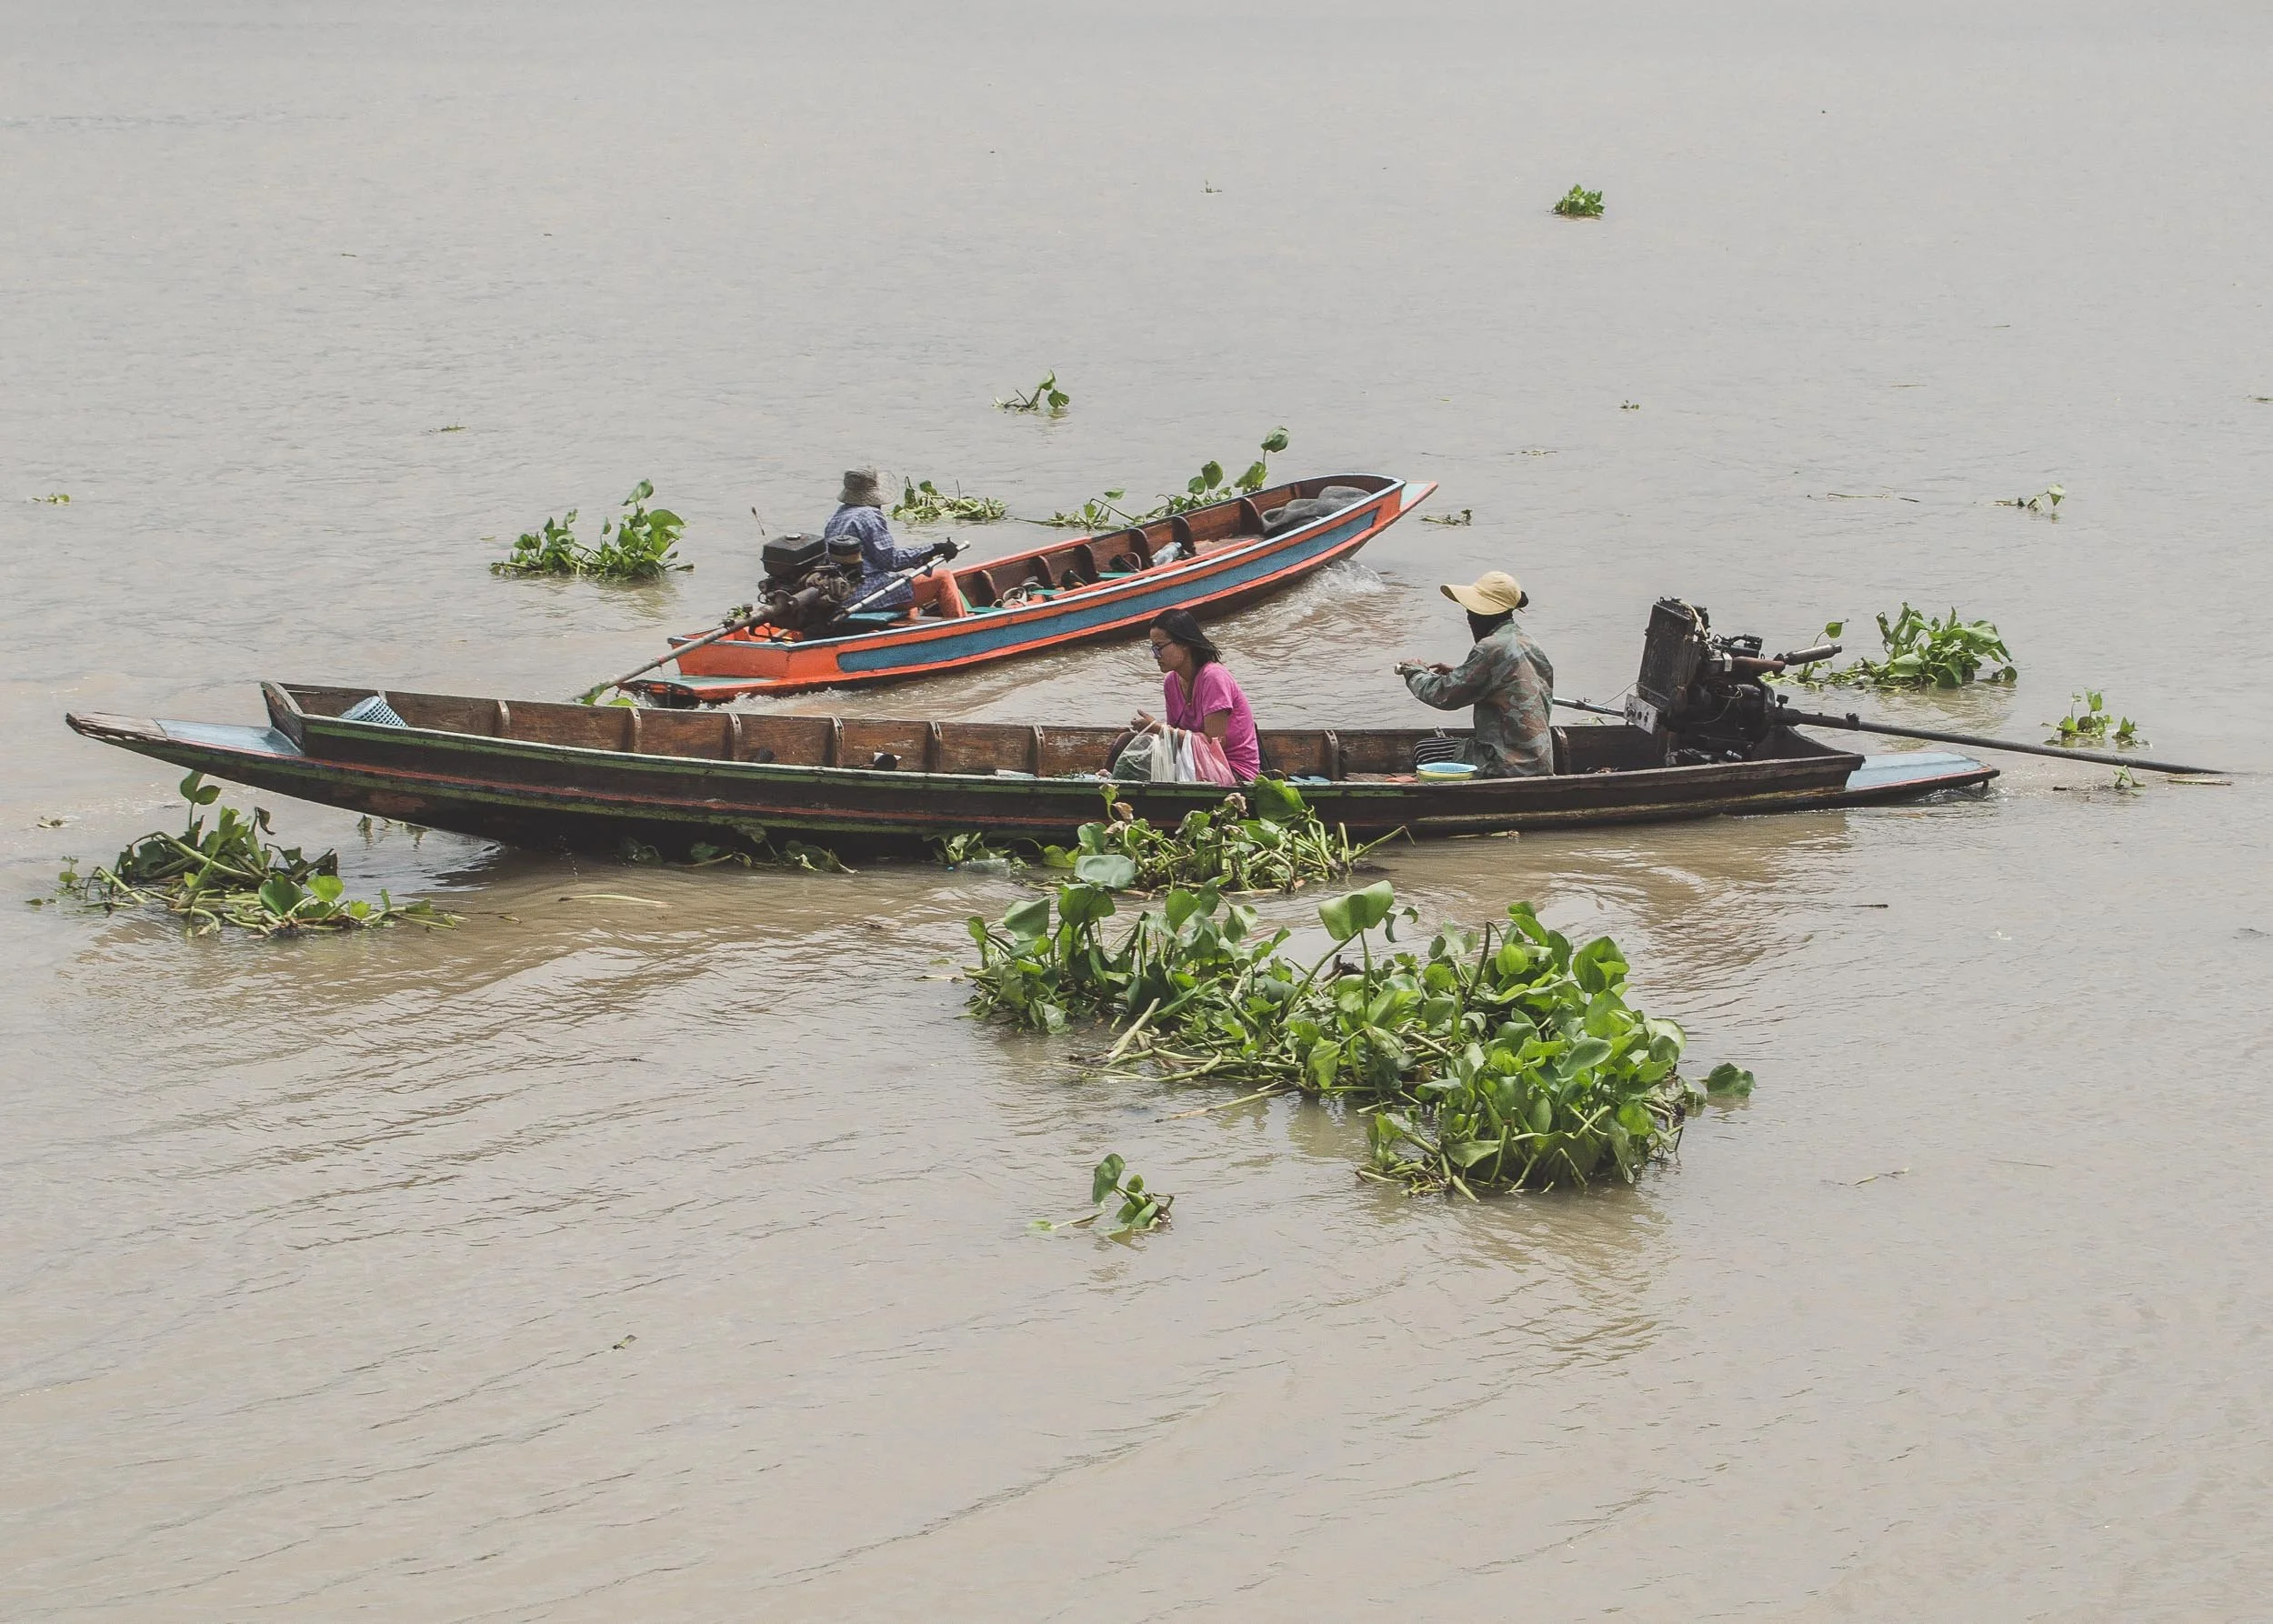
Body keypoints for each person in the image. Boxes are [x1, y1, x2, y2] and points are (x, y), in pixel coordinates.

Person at [1396, 570, 1556, 777]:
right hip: (1537, 760)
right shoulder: (1527, 642)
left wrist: (1414, 672)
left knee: (1425, 751)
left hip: (1506, 763)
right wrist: (1461, 672)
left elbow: (1443, 696)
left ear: (1479, 615)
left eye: (1470, 613)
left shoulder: (1491, 648)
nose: (1469, 619)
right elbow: (1510, 680)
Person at [1110, 610, 1261, 781]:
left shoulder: (1214, 677)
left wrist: (1158, 729)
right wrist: (1156, 731)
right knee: (1126, 742)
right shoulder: (1171, 682)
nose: (1156, 656)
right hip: (1193, 762)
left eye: (1159, 648)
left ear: (1184, 643)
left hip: (1231, 770)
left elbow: (1215, 743)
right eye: (1153, 649)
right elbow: (1174, 740)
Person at [823, 468, 956, 614]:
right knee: (944, 577)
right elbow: (891, 560)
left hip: (841, 593)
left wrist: (921, 556)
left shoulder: (836, 516)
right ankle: (961, 629)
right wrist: (934, 548)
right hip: (863, 592)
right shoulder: (869, 515)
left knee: (903, 585)